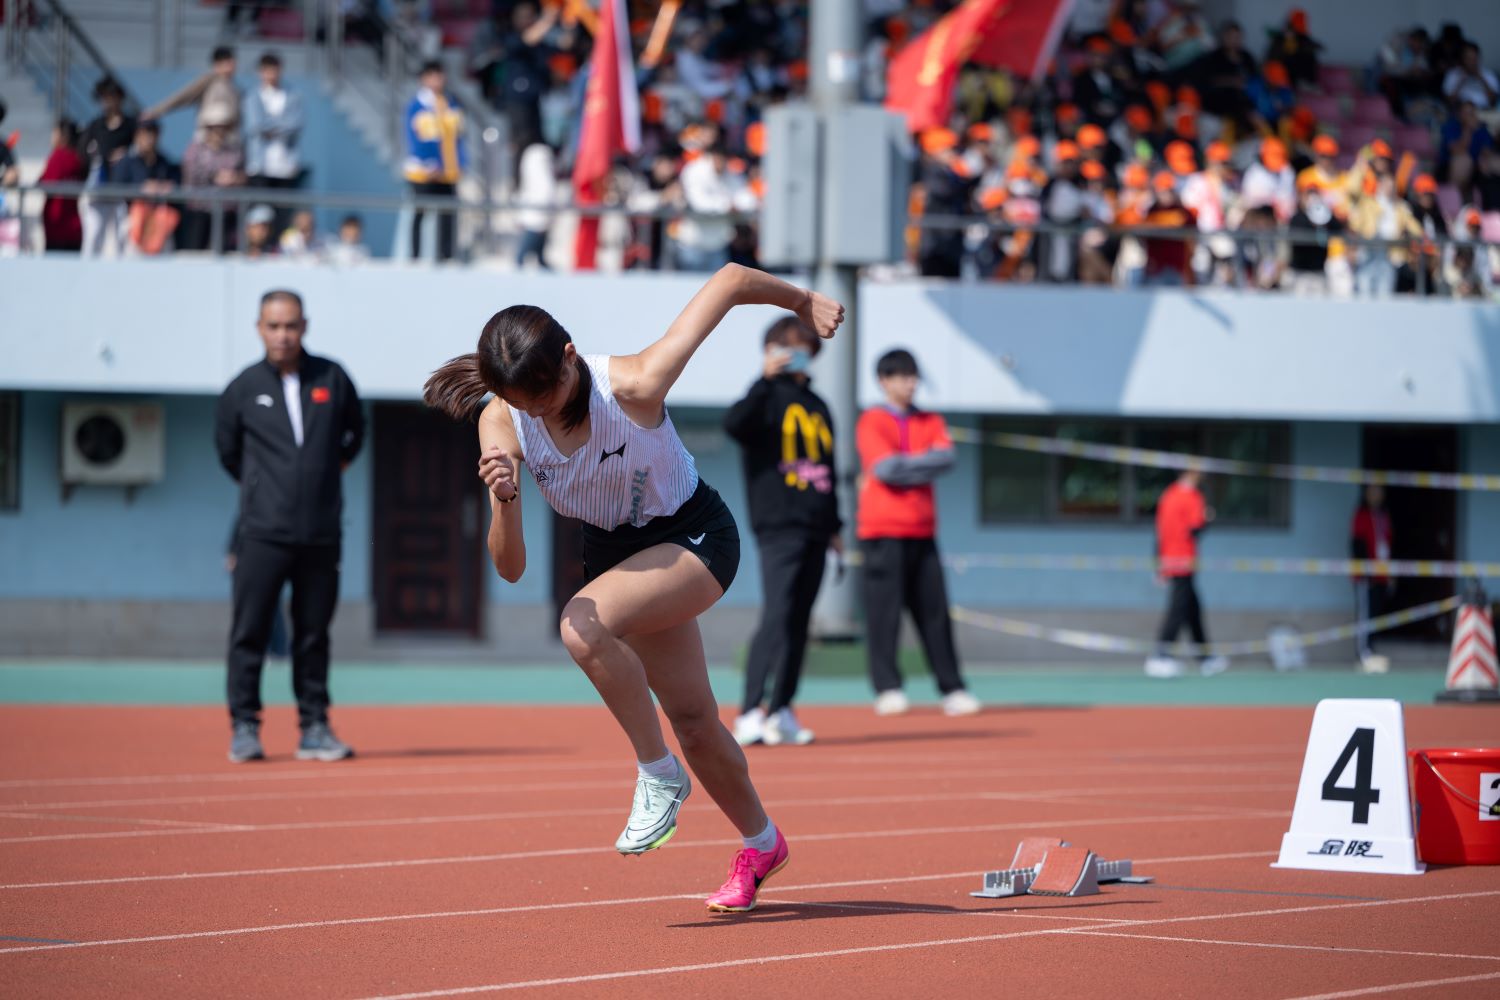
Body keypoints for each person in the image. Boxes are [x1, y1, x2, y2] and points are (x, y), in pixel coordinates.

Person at [422, 263, 844, 912]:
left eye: (549, 396)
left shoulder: (635, 384)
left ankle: (657, 772)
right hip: (619, 556)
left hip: (696, 535)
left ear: (569, 358)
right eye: (524, 404)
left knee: (581, 625)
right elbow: (510, 569)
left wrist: (803, 300)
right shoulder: (502, 422)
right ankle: (762, 842)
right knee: (696, 723)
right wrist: (504, 499)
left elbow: (730, 281)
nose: (539, 413)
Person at [214, 290, 365, 764]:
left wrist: (321, 475)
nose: (283, 335)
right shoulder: (243, 388)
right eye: (274, 326)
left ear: (305, 327)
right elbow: (228, 451)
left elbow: (355, 434)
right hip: (262, 533)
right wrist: (265, 488)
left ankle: (314, 727)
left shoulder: (332, 378)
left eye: (291, 326)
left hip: (321, 533)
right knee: (250, 631)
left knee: (313, 634)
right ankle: (244, 727)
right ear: (260, 329)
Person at [723, 316, 842, 748]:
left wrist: (836, 527)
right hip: (777, 523)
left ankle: (782, 709)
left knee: (799, 620)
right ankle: (750, 710)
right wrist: (762, 380)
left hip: (816, 525)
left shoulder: (820, 404)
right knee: (777, 614)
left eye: (807, 347)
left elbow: (828, 470)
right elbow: (734, 426)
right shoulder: (764, 397)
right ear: (772, 350)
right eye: (791, 346)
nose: (801, 354)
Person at [856, 349, 980, 718]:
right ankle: (887, 687)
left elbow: (947, 458)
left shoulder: (931, 419)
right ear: (884, 381)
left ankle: (952, 688)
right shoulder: (872, 420)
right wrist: (920, 464)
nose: (910, 384)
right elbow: (885, 469)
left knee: (935, 613)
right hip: (880, 531)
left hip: (923, 531)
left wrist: (905, 466)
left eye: (913, 377)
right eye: (901, 377)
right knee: (884, 615)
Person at [1146, 469, 1228, 678]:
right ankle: (1160, 656)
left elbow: (1160, 532)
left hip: (1170, 559)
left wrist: (1159, 562)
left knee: (1192, 608)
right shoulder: (1192, 497)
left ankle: (1205, 657)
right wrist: (1209, 517)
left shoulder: (1168, 495)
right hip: (1183, 559)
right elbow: (1196, 528)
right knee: (1179, 608)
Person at [404, 60, 467, 262]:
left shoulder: (451, 103)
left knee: (448, 214)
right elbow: (415, 138)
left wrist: (461, 164)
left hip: (448, 170)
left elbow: (458, 137)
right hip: (424, 172)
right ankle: (416, 255)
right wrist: (428, 163)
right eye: (433, 76)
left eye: (440, 75)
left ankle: (446, 255)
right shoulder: (417, 105)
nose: (438, 80)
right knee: (420, 213)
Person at [242, 52, 304, 232]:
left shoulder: (292, 95)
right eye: (267, 71)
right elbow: (254, 126)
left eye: (274, 70)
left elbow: (296, 124)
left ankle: (277, 251)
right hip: (259, 165)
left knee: (282, 215)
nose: (271, 75)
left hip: (285, 165)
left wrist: (269, 126)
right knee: (258, 215)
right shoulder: (253, 96)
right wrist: (280, 125)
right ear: (260, 72)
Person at [79, 77, 137, 258]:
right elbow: (83, 151)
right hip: (100, 188)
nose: (108, 102)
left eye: (111, 97)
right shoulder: (96, 125)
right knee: (94, 235)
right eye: (104, 98)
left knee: (122, 238)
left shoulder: (130, 125)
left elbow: (139, 150)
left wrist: (125, 154)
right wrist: (98, 156)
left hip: (122, 190)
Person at [145, 46, 243, 145]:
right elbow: (183, 97)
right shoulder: (209, 81)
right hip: (207, 139)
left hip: (229, 141)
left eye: (232, 61)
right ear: (217, 64)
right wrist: (155, 111)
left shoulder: (235, 89)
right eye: (228, 61)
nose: (232, 64)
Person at [1350, 484, 1394, 672]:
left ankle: (1371, 651)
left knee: (1375, 614)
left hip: (1381, 574)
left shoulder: (1384, 516)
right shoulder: (1361, 515)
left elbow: (1388, 545)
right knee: (1365, 615)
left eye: (1379, 491)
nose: (1376, 495)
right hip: (1366, 575)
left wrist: (1389, 573)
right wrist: (1365, 570)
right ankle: (1363, 654)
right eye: (1372, 491)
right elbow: (1357, 544)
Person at [39, 118, 87, 253]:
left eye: (54, 132)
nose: (52, 136)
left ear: (63, 136)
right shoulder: (78, 158)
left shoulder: (58, 157)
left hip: (57, 227)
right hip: (74, 228)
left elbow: (46, 184)